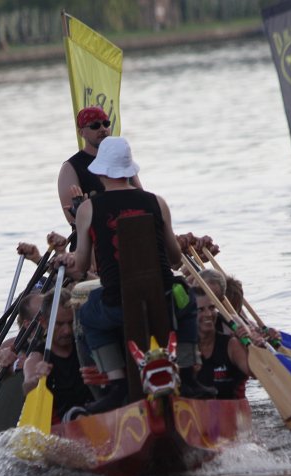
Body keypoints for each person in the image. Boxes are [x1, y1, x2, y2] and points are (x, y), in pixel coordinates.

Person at [58, 136, 215, 413]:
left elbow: (81, 267)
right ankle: (188, 375)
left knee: (87, 313)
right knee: (188, 299)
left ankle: (116, 384)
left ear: (102, 171)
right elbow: (174, 260)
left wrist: (64, 261)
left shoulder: (87, 209)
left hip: (116, 305)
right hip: (165, 300)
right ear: (129, 170)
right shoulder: (157, 202)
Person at [56, 106, 141, 245]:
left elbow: (141, 197)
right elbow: (71, 218)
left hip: (127, 237)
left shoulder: (120, 158)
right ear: (81, 132)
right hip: (90, 243)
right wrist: (82, 210)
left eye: (106, 124)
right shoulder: (70, 167)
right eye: (95, 126)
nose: (103, 129)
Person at [22, 289, 93, 422]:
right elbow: (28, 387)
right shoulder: (36, 358)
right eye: (59, 324)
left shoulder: (87, 344)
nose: (67, 331)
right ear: (43, 322)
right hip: (61, 424)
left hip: (93, 414)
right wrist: (37, 378)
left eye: (71, 322)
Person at [193, 287, 250, 400]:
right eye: (200, 310)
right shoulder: (184, 347)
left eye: (212, 308)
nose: (208, 314)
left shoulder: (232, 345)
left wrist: (251, 347)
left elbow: (255, 373)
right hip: (197, 409)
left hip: (232, 408)